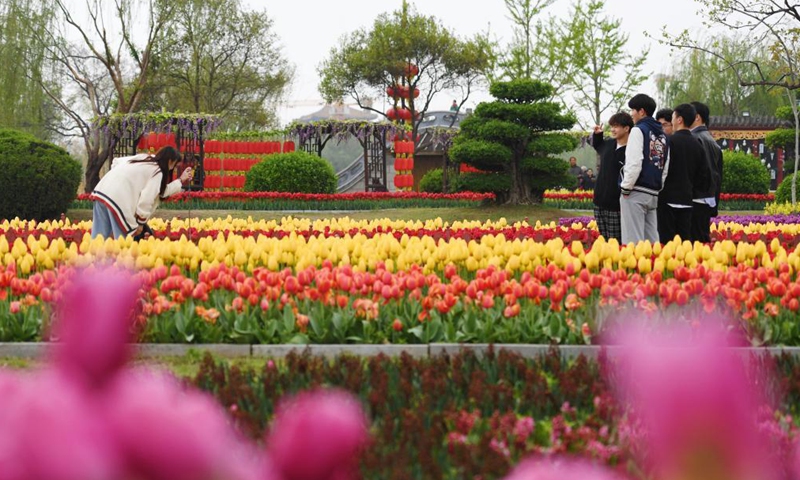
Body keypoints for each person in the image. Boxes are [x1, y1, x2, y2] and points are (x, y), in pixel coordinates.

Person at [90, 146, 193, 239]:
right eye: (174, 165)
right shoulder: (157, 171)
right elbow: (147, 199)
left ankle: (92, 260)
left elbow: (116, 161)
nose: (172, 169)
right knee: (122, 242)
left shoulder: (143, 158)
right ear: (170, 161)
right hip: (118, 201)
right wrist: (140, 223)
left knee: (98, 238)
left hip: (102, 190)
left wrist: (180, 180)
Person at [620, 93, 669, 245]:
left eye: (633, 110)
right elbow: (665, 165)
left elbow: (634, 162)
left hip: (636, 191)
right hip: (653, 192)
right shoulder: (662, 134)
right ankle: (655, 268)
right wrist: (658, 186)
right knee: (652, 241)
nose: (631, 114)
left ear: (641, 111)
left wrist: (626, 187)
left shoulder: (638, 130)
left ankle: (635, 269)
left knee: (633, 241)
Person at [657, 104, 706, 243]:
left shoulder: (668, 142)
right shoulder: (697, 144)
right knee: (684, 242)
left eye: (672, 117)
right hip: (687, 200)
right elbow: (703, 175)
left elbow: (661, 170)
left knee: (666, 243)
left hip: (667, 199)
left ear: (679, 120)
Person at [592, 112, 633, 242]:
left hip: (616, 204)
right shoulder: (609, 144)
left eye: (616, 126)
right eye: (611, 126)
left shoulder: (632, 150)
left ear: (626, 128)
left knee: (616, 241)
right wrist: (598, 134)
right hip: (599, 200)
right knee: (603, 239)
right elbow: (598, 145)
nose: (613, 130)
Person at [690, 101, 723, 242]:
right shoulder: (712, 141)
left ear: (697, 117)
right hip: (708, 199)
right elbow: (718, 175)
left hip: (694, 198)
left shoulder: (694, 138)